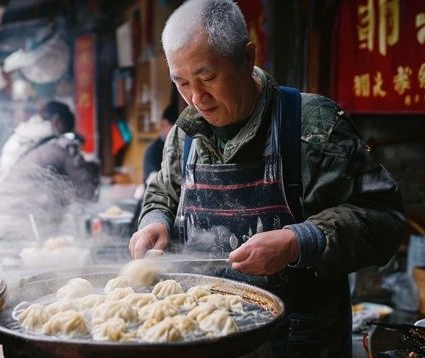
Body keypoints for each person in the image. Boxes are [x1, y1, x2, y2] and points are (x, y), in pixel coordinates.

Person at [128, 1, 404, 356]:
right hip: (198, 334)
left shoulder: (310, 125)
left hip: (296, 341)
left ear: (246, 57)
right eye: (181, 83)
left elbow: (383, 218)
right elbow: (162, 192)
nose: (196, 99)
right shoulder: (185, 135)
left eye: (207, 77)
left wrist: (297, 241)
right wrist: (155, 220)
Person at [0, 101, 99, 241]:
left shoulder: (21, 139)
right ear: (57, 121)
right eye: (67, 130)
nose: (66, 136)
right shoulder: (61, 146)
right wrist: (93, 168)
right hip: (22, 226)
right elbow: (86, 193)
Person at [143, 105, 178, 183]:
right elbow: (153, 181)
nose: (179, 135)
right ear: (164, 124)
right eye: (175, 129)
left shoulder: (179, 147)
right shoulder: (153, 151)